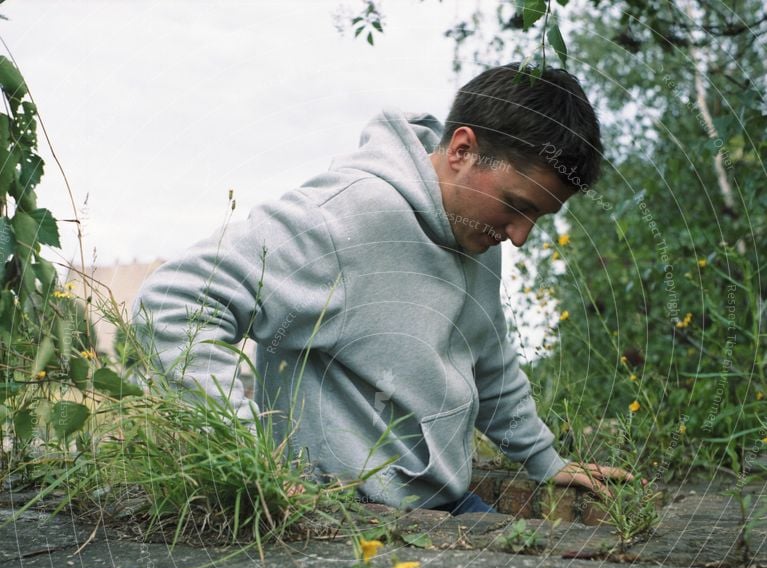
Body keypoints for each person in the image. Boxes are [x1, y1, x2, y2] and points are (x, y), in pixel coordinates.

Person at [132, 62, 629, 516]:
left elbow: (489, 360)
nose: (520, 236)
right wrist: (249, 459)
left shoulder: (479, 233)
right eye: (516, 206)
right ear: (462, 150)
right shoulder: (349, 216)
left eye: (537, 218)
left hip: (446, 503)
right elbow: (174, 303)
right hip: (348, 517)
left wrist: (545, 460)